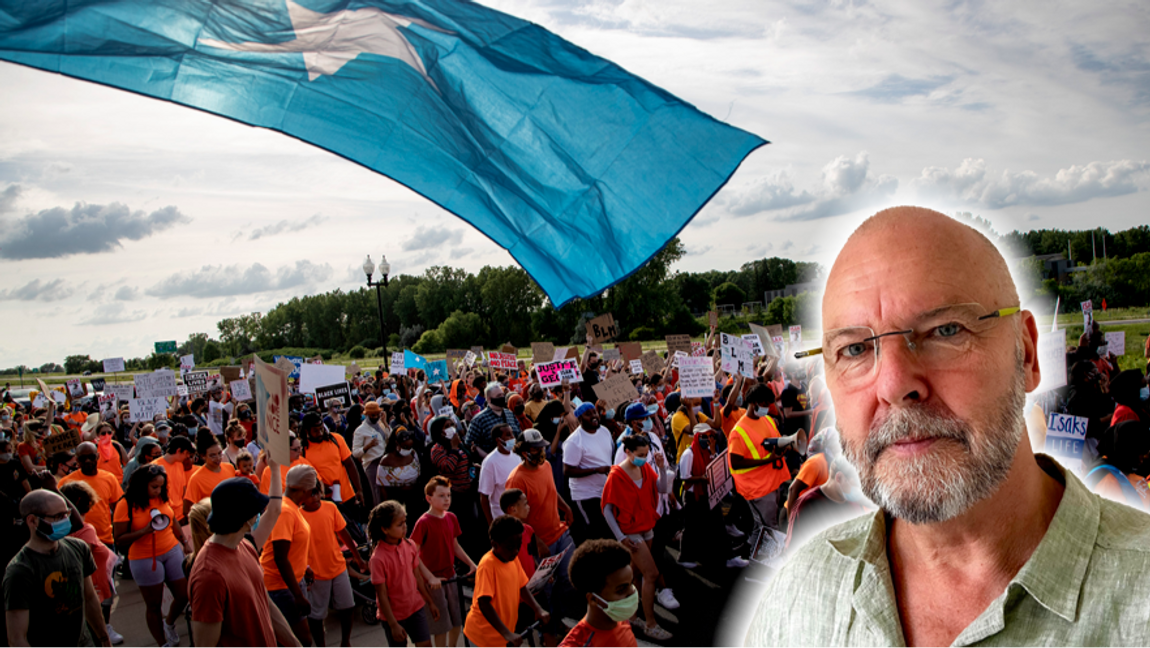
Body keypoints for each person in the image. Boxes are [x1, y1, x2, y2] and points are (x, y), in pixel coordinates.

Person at [745, 206, 1150, 646]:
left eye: (945, 330)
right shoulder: (797, 601)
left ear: (1028, 354)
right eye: (856, 349)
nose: (896, 385)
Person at [189, 467, 304, 648]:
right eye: (256, 510)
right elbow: (205, 645)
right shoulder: (209, 576)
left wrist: (295, 645)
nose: (259, 514)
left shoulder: (245, 546)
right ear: (244, 518)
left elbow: (264, 602)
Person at [3, 487, 112, 648]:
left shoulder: (78, 548)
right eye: (57, 517)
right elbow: (17, 638)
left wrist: (104, 639)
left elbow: (89, 598)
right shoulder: (20, 571)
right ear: (32, 521)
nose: (65, 521)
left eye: (66, 514)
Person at [600, 435, 676, 639]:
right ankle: (650, 623)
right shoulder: (616, 476)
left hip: (647, 528)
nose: (643, 458)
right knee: (650, 574)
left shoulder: (645, 469)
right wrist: (621, 537)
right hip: (631, 533)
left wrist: (660, 467)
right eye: (640, 455)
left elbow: (661, 488)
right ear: (628, 452)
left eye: (646, 455)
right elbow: (607, 509)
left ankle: (631, 616)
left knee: (635, 574)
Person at [114, 463, 192, 648]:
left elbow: (172, 519)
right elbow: (120, 539)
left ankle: (169, 623)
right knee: (154, 605)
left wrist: (184, 542)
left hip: (171, 550)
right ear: (142, 485)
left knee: (184, 595)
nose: (158, 490)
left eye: (161, 486)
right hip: (144, 558)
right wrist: (146, 530)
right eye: (154, 487)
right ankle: (162, 643)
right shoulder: (125, 504)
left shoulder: (162, 497)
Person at [505, 429, 574, 639]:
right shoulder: (516, 479)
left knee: (568, 578)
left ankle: (557, 620)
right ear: (524, 451)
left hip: (560, 533)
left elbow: (552, 492)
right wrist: (537, 541)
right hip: (540, 544)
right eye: (535, 449)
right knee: (545, 590)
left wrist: (566, 508)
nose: (541, 452)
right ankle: (548, 632)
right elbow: (515, 520)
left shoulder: (545, 466)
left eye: (542, 447)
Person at [728, 384, 797, 558]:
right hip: (757, 489)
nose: (767, 408)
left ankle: (750, 553)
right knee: (769, 528)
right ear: (753, 403)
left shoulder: (766, 420)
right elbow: (735, 463)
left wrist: (784, 447)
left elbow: (775, 440)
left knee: (762, 526)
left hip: (771, 482)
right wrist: (767, 460)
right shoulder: (738, 431)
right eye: (764, 404)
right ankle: (762, 569)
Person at [300, 479, 369, 648]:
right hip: (316, 572)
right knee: (317, 615)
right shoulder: (297, 515)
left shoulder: (330, 507)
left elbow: (343, 533)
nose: (316, 497)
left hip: (337, 567)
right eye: (311, 493)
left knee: (348, 606)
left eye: (318, 491)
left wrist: (358, 558)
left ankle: (345, 642)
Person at [411, 475, 477, 648]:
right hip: (434, 582)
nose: (446, 499)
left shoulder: (451, 518)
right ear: (429, 498)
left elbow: (455, 546)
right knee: (441, 624)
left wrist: (471, 563)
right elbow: (413, 554)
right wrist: (429, 577)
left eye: (448, 495)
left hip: (451, 576)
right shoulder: (423, 523)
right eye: (441, 495)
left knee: (457, 619)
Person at [463, 516, 549, 648]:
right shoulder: (487, 565)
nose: (515, 551)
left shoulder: (512, 559)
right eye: (510, 548)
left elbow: (522, 587)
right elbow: (483, 602)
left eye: (518, 546)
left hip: (504, 635)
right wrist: (507, 633)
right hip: (483, 637)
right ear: (495, 544)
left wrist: (537, 608)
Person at [59, 480, 122, 645]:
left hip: (92, 592)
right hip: (91, 594)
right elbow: (79, 564)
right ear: (80, 501)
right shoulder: (85, 530)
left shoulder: (71, 530)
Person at [260, 464, 317, 647]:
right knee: (300, 641)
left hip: (291, 582)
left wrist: (304, 568)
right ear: (303, 490)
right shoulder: (285, 512)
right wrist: (298, 595)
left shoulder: (292, 507)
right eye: (312, 491)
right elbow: (280, 557)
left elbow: (292, 549)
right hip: (280, 587)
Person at [368, 500, 438, 648]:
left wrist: (430, 602)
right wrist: (393, 624)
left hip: (416, 608)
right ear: (385, 529)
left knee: (426, 645)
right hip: (394, 616)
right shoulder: (378, 559)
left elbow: (417, 577)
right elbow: (382, 595)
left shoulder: (410, 545)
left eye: (405, 522)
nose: (405, 527)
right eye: (399, 524)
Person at [558, 539, 639, 648]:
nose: (632, 593)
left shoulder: (620, 618)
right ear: (593, 599)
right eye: (621, 590)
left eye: (631, 583)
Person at [785, 453, 871, 551]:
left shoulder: (855, 507)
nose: (861, 491)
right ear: (839, 478)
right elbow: (792, 550)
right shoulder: (807, 505)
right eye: (857, 485)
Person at [563, 403, 615, 543]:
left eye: (594, 412)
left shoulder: (604, 431)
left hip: (606, 490)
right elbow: (567, 471)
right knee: (595, 531)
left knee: (610, 529)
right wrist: (595, 470)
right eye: (588, 414)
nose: (594, 416)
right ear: (580, 419)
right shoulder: (574, 441)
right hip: (586, 495)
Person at [59, 441, 123, 548]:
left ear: (97, 456)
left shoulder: (109, 478)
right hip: (77, 540)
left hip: (104, 539)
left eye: (91, 456)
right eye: (83, 458)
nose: (87, 461)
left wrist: (118, 533)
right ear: (77, 459)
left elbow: (118, 508)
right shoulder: (66, 482)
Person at [300, 412, 362, 505]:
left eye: (321, 429)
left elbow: (350, 464)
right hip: (325, 501)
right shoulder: (303, 450)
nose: (320, 433)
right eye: (315, 431)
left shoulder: (336, 439)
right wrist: (322, 487)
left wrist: (359, 490)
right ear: (306, 431)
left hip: (347, 496)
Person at [183, 429, 236, 520]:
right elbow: (188, 510)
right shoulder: (196, 479)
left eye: (220, 453)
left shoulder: (230, 468)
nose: (218, 458)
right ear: (203, 455)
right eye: (212, 455)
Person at [478, 424, 522, 524]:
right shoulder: (490, 462)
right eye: (508, 435)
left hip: (521, 515)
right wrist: (491, 524)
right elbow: (484, 497)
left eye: (512, 434)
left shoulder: (517, 455)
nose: (512, 438)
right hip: (503, 518)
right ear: (498, 440)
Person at [377, 427, 423, 518]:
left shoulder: (413, 454)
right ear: (397, 443)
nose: (408, 449)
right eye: (405, 447)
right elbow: (382, 487)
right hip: (397, 500)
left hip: (414, 498)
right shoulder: (386, 461)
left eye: (410, 447)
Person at [465, 384, 522, 458]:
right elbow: (470, 444)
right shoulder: (479, 420)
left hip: (515, 459)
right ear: (489, 399)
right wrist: (488, 458)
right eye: (498, 396)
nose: (502, 398)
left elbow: (519, 434)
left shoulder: (510, 414)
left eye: (502, 395)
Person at [151, 435, 194, 531]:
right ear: (178, 451)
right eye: (186, 453)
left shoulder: (179, 464)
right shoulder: (155, 467)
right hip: (166, 518)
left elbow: (183, 488)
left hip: (181, 516)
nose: (188, 456)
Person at [353, 401, 390, 506]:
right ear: (367, 415)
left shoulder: (381, 424)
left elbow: (389, 437)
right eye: (373, 415)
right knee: (377, 490)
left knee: (387, 489)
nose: (376, 417)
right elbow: (355, 452)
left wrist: (385, 423)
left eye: (377, 414)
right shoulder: (360, 430)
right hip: (372, 462)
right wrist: (367, 446)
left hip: (385, 461)